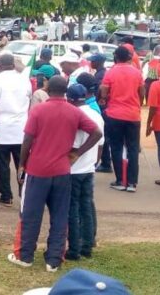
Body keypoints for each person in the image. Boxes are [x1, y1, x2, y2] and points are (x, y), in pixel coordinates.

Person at [8, 76, 102, 272]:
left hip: (37, 170)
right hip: (62, 171)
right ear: (66, 90)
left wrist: (21, 165)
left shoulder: (39, 110)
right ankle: (54, 260)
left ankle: (25, 256)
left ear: (48, 89)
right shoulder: (74, 111)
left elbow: (27, 140)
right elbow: (97, 133)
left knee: (31, 215)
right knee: (60, 216)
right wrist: (78, 152)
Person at [0, 53, 32, 206]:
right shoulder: (25, 81)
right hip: (22, 131)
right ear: (13, 64)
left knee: (2, 165)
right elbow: (28, 102)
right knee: (22, 163)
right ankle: (24, 194)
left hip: (1, 131)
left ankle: (6, 196)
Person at [66, 83, 104, 261]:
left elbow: (72, 145)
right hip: (89, 168)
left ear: (70, 98)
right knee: (86, 207)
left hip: (74, 169)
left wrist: (74, 156)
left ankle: (74, 249)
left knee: (72, 209)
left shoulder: (75, 115)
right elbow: (101, 145)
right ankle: (87, 245)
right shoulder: (96, 115)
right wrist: (94, 163)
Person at [99, 45, 144, 192]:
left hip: (115, 114)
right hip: (133, 115)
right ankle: (132, 183)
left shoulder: (111, 72)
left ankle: (120, 180)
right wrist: (137, 105)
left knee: (116, 147)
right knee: (133, 148)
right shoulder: (137, 73)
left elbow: (104, 93)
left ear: (116, 57)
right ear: (129, 57)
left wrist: (106, 99)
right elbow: (141, 93)